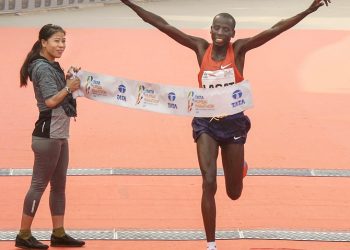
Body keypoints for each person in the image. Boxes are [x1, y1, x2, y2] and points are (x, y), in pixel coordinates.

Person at [121, 0, 331, 249]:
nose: (219, 34)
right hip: (205, 124)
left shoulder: (239, 50)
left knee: (234, 193)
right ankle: (211, 244)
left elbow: (276, 29)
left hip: (233, 125)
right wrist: (128, 2)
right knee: (208, 181)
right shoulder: (200, 48)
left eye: (225, 30)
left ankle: (240, 167)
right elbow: (163, 25)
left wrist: (308, 10)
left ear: (233, 34)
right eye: (216, 29)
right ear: (210, 30)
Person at [16, 24, 85, 249]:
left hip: (59, 134)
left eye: (63, 41)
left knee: (59, 187)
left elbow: (59, 91)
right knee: (38, 186)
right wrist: (69, 86)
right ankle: (23, 235)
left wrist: (68, 78)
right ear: (43, 42)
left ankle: (59, 233)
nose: (61, 45)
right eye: (56, 41)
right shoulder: (42, 68)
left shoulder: (51, 65)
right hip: (48, 136)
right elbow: (50, 101)